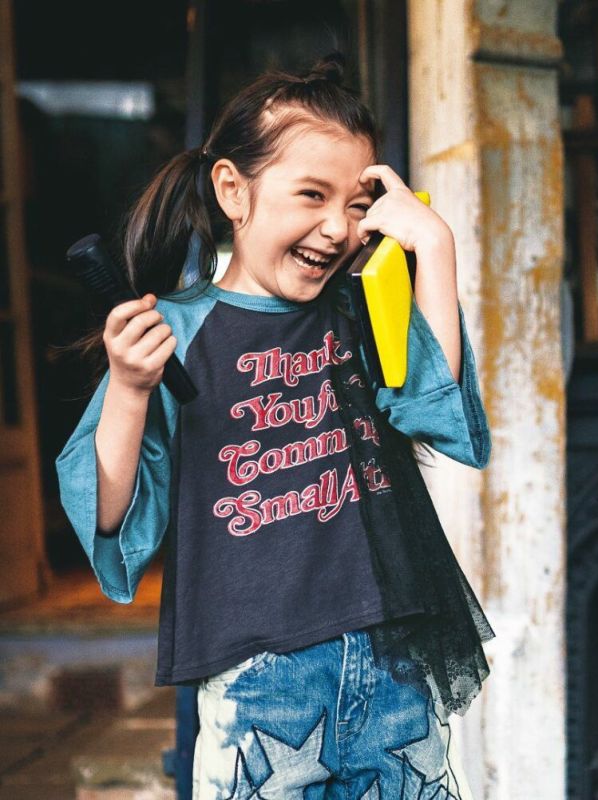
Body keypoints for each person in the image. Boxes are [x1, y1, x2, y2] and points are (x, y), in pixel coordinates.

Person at [57, 54, 493, 799]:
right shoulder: (176, 334)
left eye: (357, 204)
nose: (336, 227)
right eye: (312, 195)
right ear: (234, 190)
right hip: (258, 678)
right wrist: (129, 388)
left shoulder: (361, 311)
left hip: (391, 657)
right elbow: (108, 515)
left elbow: (436, 411)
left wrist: (436, 249)